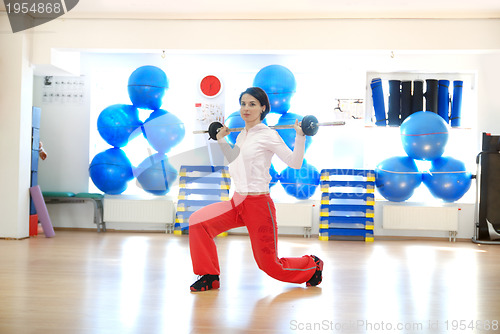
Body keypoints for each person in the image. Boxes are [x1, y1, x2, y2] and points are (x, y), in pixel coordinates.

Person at [188, 87, 323, 292]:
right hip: (236, 202)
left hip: (258, 205)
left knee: (269, 266)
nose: (246, 108)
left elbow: (294, 163)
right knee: (198, 222)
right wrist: (221, 138)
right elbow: (233, 160)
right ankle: (209, 275)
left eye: (252, 104)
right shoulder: (242, 134)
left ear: (263, 108)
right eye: (243, 104)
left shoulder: (268, 135)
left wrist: (301, 135)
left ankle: (312, 265)